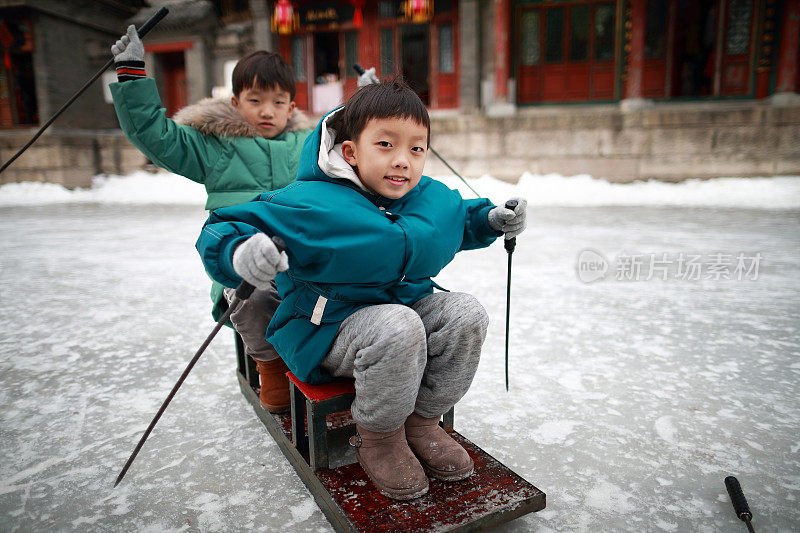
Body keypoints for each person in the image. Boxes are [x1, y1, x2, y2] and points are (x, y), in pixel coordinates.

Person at [196, 79, 527, 500]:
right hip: (326, 330)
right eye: (386, 145)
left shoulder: (429, 198)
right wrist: (238, 250)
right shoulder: (310, 201)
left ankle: (422, 421)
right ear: (350, 151)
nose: (403, 161)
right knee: (398, 324)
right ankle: (379, 437)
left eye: (416, 148)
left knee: (466, 313)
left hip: (399, 320)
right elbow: (225, 225)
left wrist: (490, 220)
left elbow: (459, 220)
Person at [108, 25, 313, 413]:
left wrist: (369, 103)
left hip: (300, 254)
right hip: (240, 256)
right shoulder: (215, 144)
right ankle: (269, 367)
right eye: (255, 100)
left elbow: (355, 144)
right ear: (236, 102)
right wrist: (133, 74)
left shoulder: (306, 143)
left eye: (278, 101)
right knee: (255, 295)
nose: (267, 111)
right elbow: (158, 137)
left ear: (291, 106)